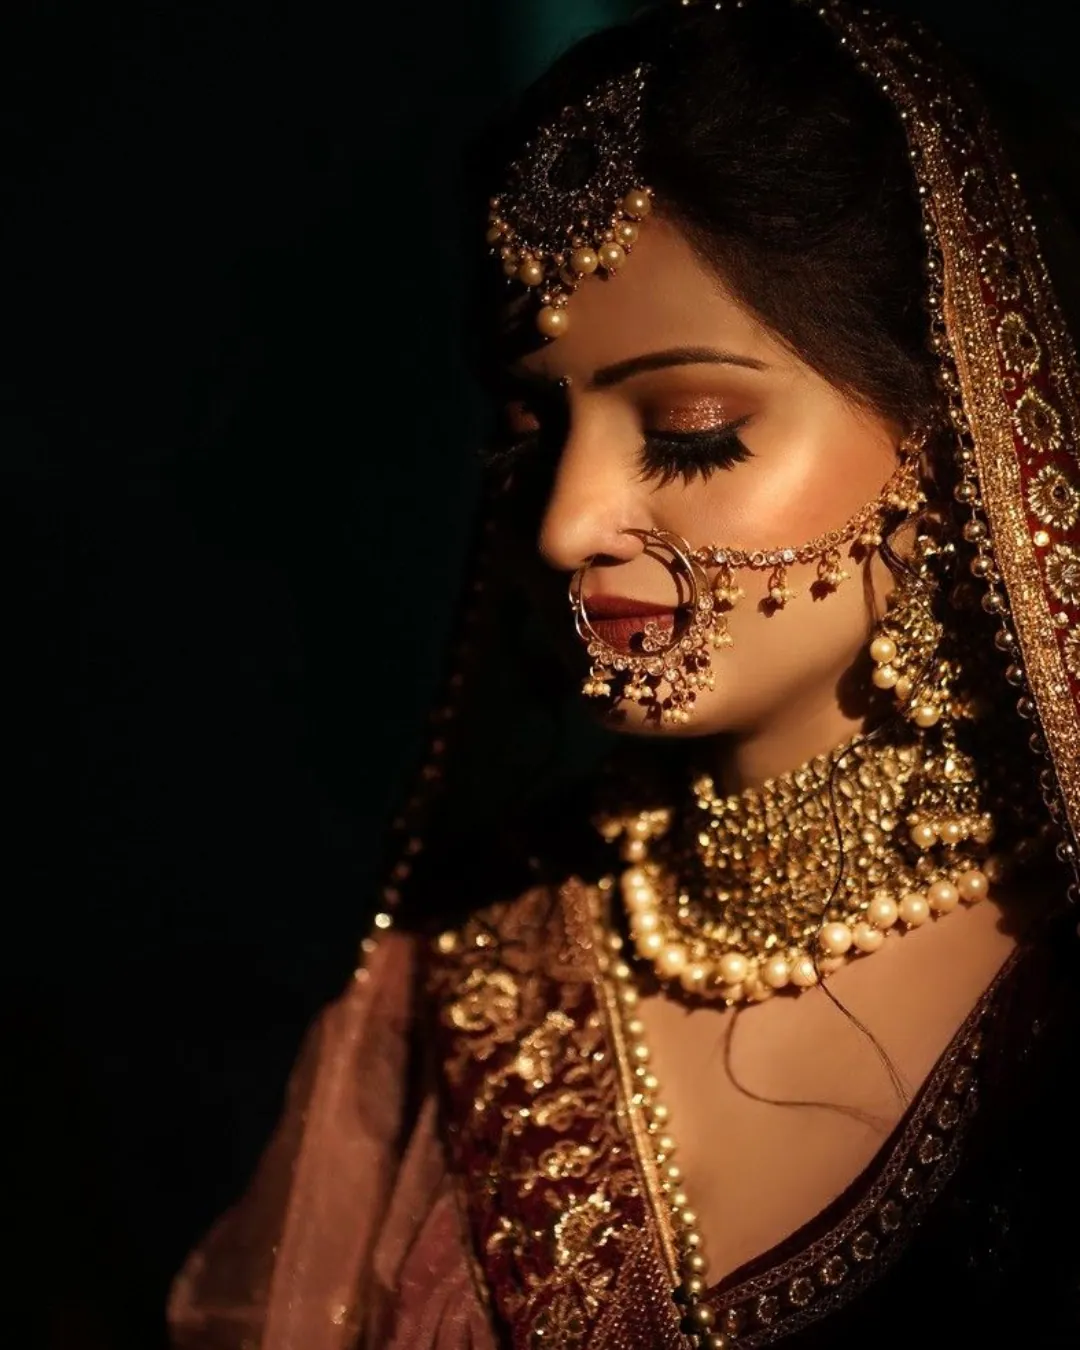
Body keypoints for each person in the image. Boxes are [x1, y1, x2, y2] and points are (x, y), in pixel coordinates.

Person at [168, 1, 1080, 1345]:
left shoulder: (1054, 976)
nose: (565, 522)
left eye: (695, 433)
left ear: (958, 446)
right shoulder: (477, 972)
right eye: (534, 435)